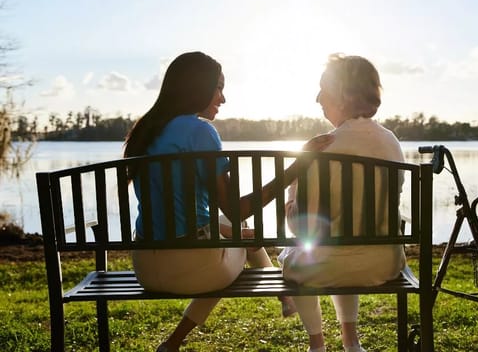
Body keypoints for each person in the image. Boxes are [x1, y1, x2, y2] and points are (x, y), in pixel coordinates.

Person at [123, 51, 331, 352]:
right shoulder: (200, 131)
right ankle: (284, 298)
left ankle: (172, 343)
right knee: (238, 231)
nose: (223, 98)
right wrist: (296, 169)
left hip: (145, 266)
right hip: (192, 267)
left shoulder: (146, 130)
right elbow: (236, 208)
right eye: (218, 87)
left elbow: (198, 215)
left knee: (234, 230)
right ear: (197, 87)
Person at [279, 53, 406, 352]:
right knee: (341, 247)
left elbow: (303, 227)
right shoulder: (391, 142)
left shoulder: (323, 147)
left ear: (343, 95)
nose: (317, 98)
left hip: (324, 267)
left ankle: (317, 345)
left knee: (301, 251)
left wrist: (292, 191)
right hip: (383, 264)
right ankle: (352, 343)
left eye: (323, 88)